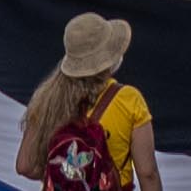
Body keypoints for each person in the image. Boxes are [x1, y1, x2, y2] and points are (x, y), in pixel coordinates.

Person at [17, 14, 159, 191]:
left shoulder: (46, 99)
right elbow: (148, 173)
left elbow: (25, 166)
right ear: (109, 58)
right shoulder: (129, 99)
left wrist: (68, 176)